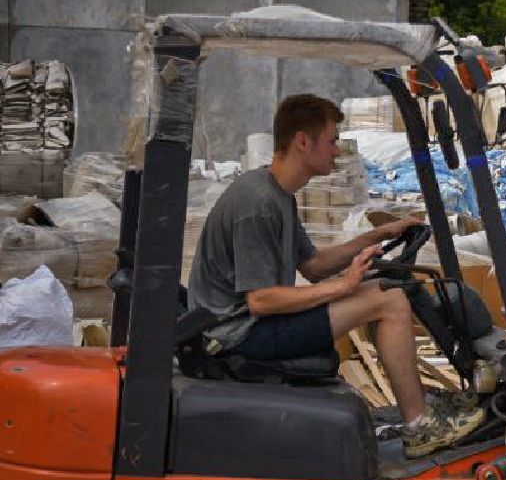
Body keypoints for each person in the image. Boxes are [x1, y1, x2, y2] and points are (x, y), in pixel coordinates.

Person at [186, 93, 484, 457]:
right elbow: (261, 300)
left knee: (386, 288)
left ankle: (419, 404)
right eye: (331, 141)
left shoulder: (277, 194)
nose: (337, 151)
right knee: (389, 300)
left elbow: (313, 267)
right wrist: (344, 286)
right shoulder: (257, 204)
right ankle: (419, 424)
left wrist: (375, 236)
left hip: (251, 324)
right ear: (302, 142)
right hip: (239, 335)